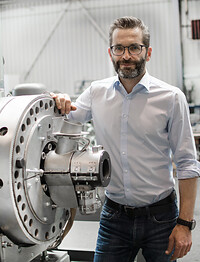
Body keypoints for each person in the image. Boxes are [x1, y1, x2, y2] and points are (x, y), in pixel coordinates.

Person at [52, 16, 200, 262]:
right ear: (110, 52)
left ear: (148, 52)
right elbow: (68, 116)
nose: (126, 55)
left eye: (134, 47)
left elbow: (187, 163)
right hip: (114, 216)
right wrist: (58, 100)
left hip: (160, 216)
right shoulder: (96, 93)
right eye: (119, 48)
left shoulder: (171, 98)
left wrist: (185, 223)